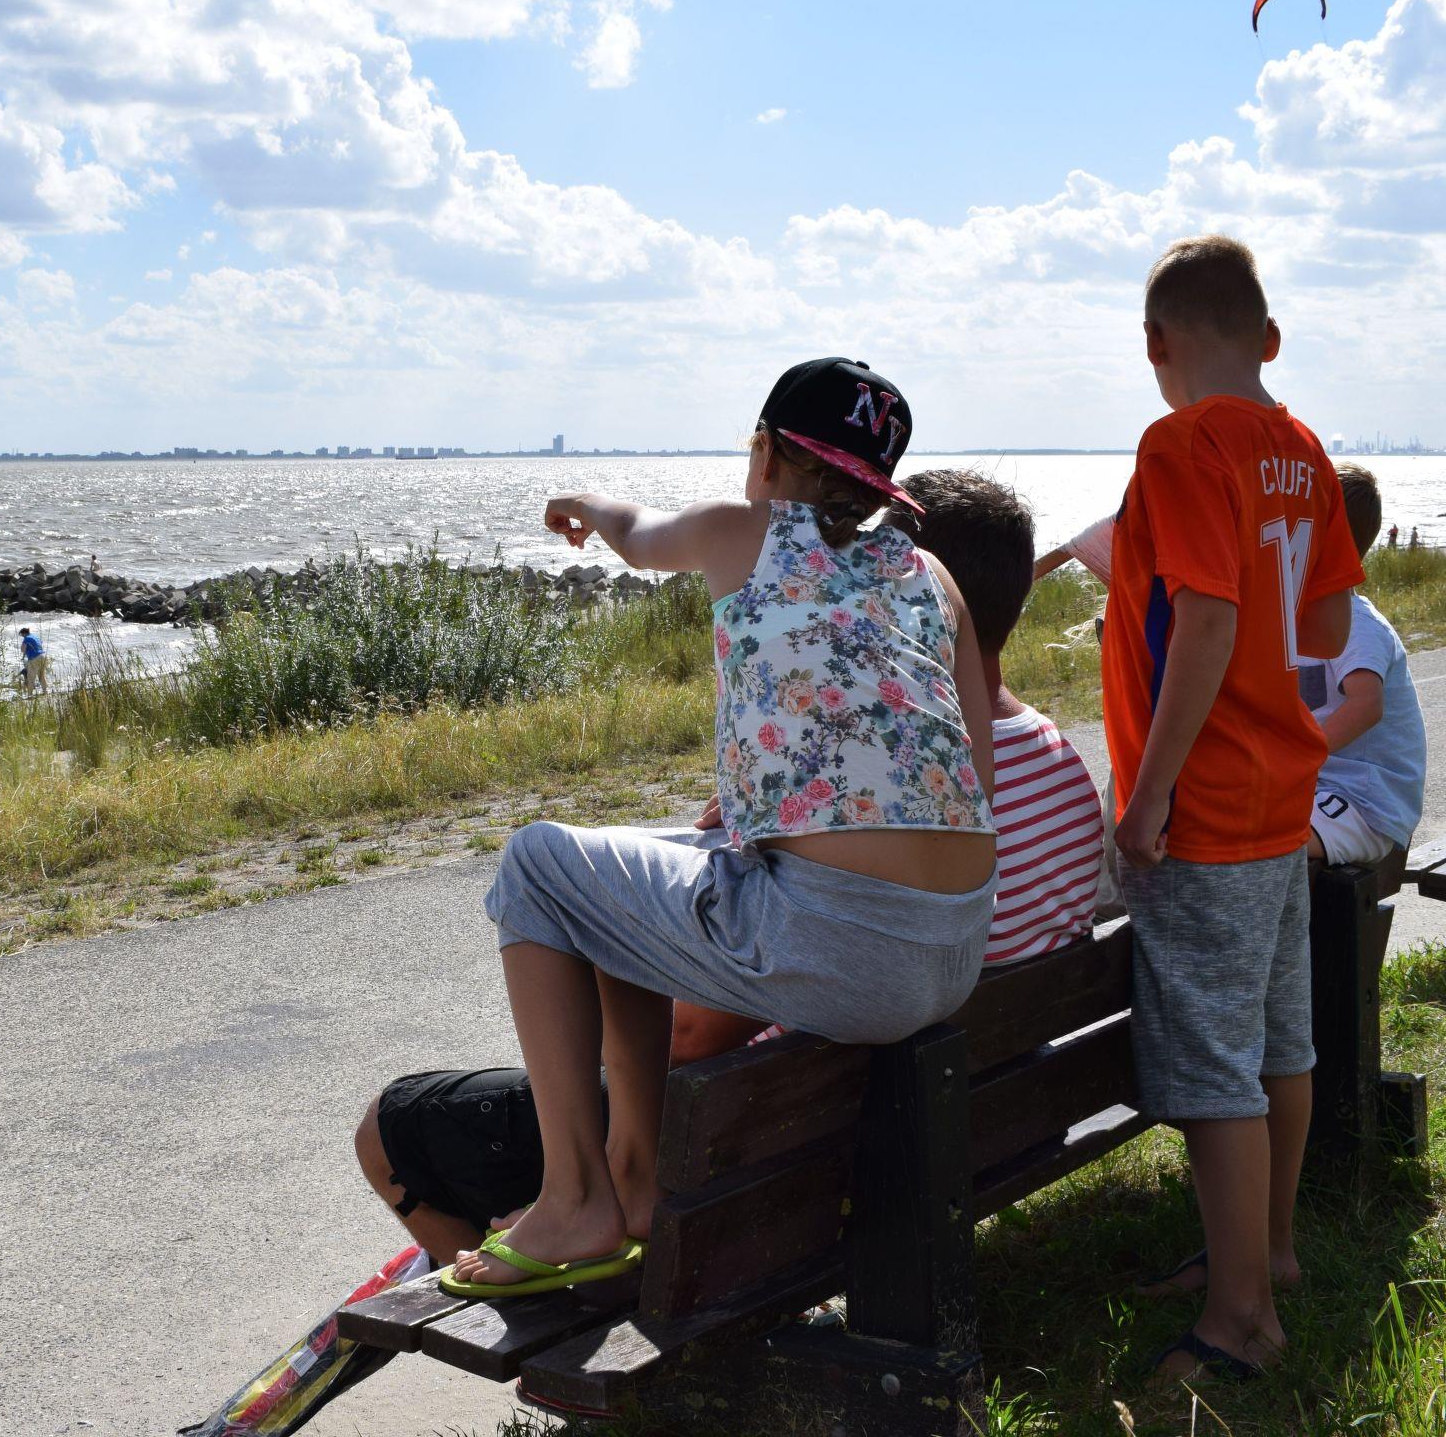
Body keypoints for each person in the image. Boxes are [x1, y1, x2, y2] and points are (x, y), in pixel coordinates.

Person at [359, 469, 1102, 1267]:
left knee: (397, 1123)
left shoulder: (866, 801)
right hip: (992, 1122)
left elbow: (691, 1035)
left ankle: (574, 1241)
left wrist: (756, 848)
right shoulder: (1056, 763)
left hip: (799, 1148)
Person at [438, 358, 999, 1297]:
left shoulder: (741, 530)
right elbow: (970, 777)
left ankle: (574, 1199)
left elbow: (635, 536)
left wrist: (588, 502)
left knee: (536, 863)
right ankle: (634, 1178)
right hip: (953, 951)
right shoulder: (931, 575)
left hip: (846, 951)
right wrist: (779, 807)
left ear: (768, 452)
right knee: (623, 867)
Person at [1103, 235, 1361, 1383]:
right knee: (1276, 1044)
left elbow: (1204, 620)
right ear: (1268, 339)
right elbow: (1324, 627)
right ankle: (1268, 1253)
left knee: (1213, 1070)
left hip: (1204, 805)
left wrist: (1147, 793)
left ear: (1153, 344)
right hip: (1281, 789)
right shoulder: (1300, 448)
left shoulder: (1178, 443)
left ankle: (1239, 1321)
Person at [1298, 465, 1425, 865]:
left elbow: (1366, 705)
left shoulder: (1358, 625)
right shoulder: (1304, 622)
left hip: (1365, 802)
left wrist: (1295, 759)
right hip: (1321, 784)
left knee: (1269, 846)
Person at [19, 627, 49, 694]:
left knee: (31, 677)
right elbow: (37, 647)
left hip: (34, 658)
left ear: (24, 633)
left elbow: (22, 649)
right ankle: (45, 691)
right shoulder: (36, 637)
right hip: (43, 656)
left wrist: (25, 653)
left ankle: (30, 694)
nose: (22, 637)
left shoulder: (26, 638)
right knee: (41, 676)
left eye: (22, 635)